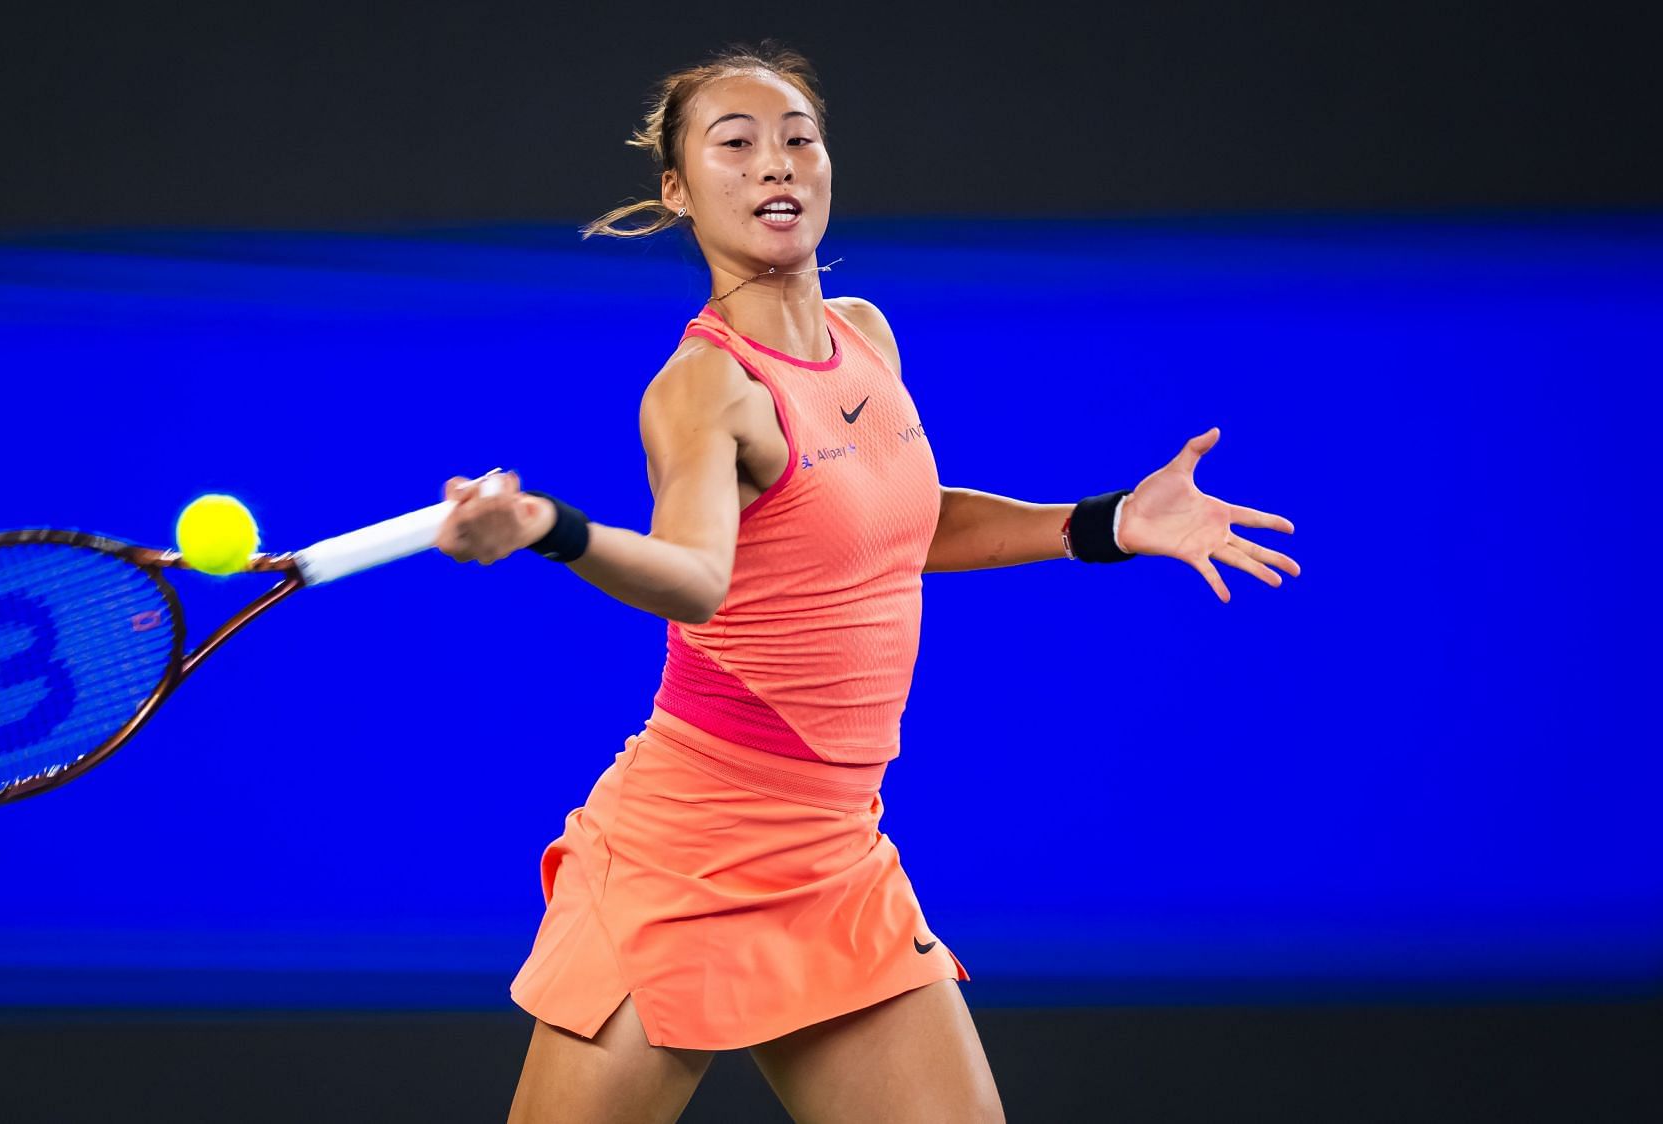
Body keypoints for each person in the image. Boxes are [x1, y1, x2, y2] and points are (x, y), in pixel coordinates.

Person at [434, 40, 1300, 1124]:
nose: (775, 166)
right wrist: (549, 526)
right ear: (677, 189)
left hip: (835, 850)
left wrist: (1107, 522)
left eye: (799, 138)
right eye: (735, 144)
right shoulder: (704, 389)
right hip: (689, 850)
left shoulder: (865, 337)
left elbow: (894, 527)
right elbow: (697, 579)